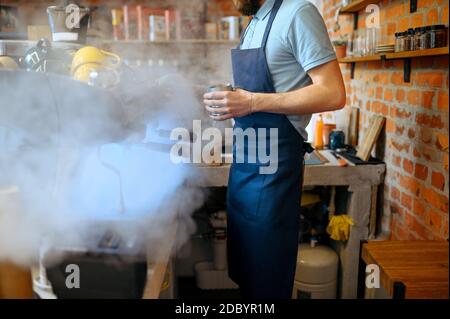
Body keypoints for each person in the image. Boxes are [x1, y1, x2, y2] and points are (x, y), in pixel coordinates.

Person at [203, 0, 345, 299]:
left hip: (274, 170)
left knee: (267, 279)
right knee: (247, 276)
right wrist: (227, 96)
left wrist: (252, 102)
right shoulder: (254, 23)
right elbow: (263, 87)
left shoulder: (298, 13)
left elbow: (332, 93)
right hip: (244, 169)